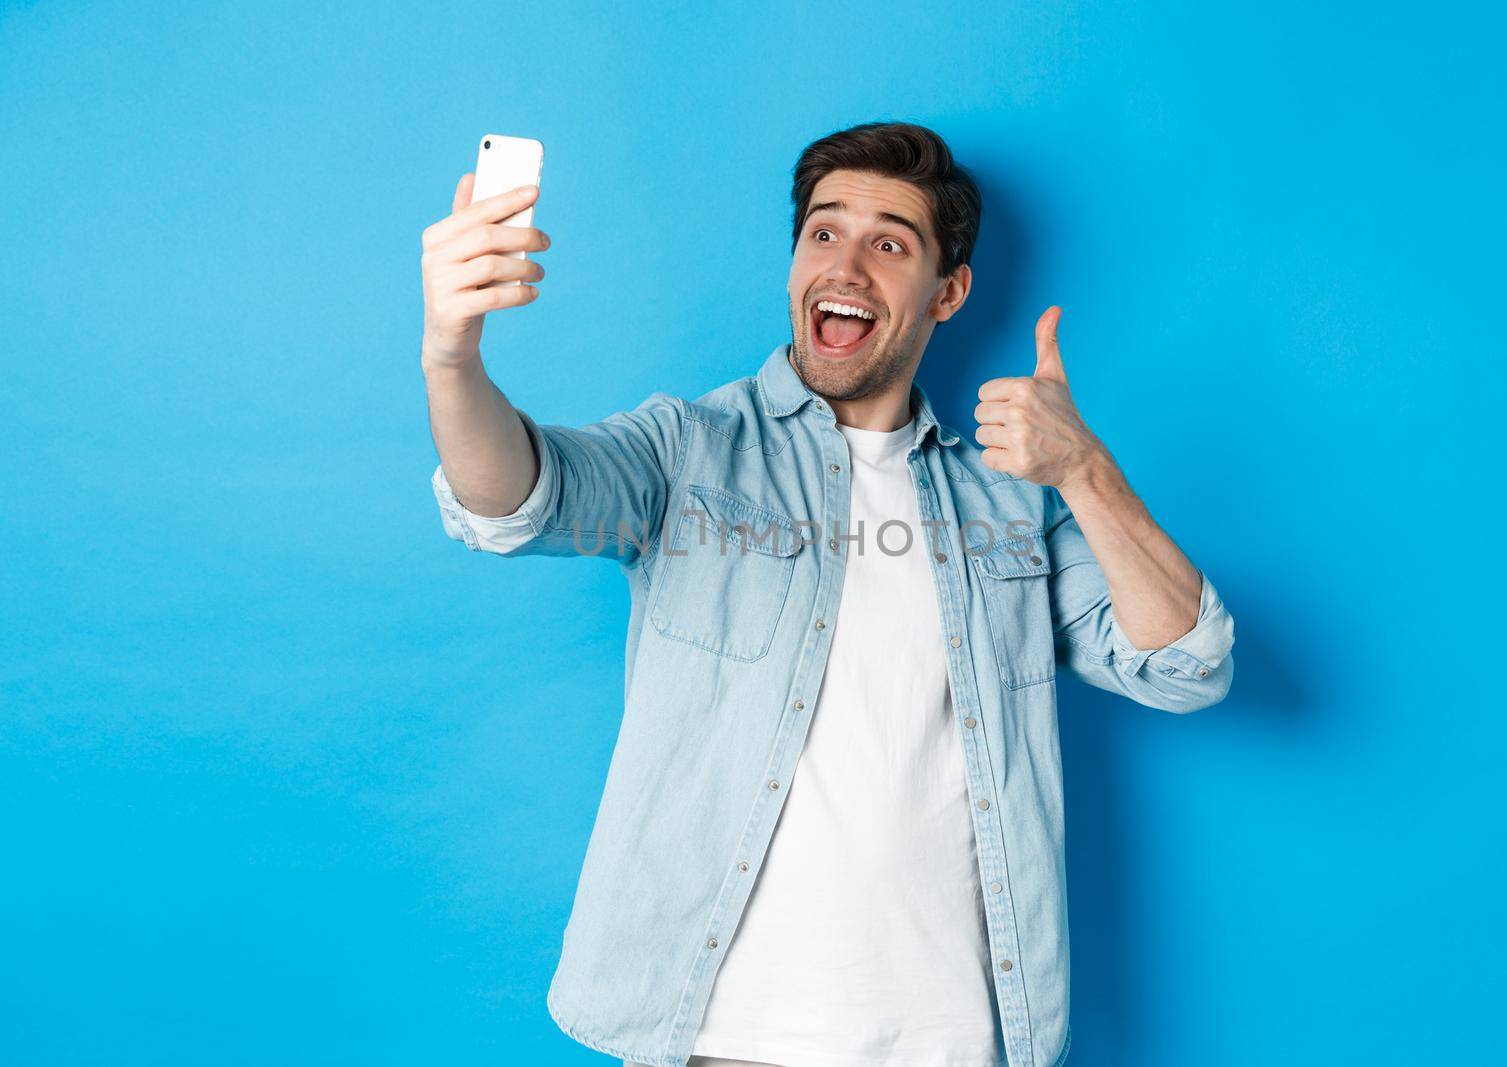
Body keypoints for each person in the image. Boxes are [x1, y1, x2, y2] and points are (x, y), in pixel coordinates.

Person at [420, 121, 1235, 1067]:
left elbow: (1187, 663)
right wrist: (452, 358)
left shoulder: (1012, 506)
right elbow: (518, 496)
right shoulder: (689, 450)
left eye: (889, 243)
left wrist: (1086, 473)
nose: (845, 266)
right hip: (720, 1037)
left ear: (949, 291)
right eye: (823, 232)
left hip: (955, 1042)